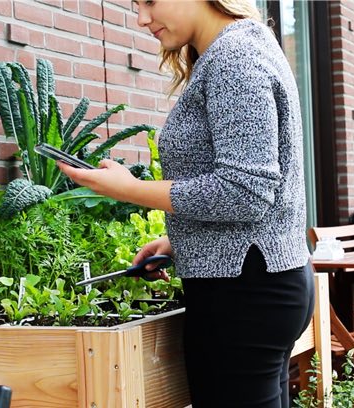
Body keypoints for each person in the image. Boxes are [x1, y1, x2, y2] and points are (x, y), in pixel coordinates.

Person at [58, 1, 315, 407]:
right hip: (259, 282)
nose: (142, 18)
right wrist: (179, 242)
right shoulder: (242, 46)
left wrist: (128, 189)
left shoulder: (235, 57)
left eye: (150, 1)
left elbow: (246, 191)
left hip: (243, 294)